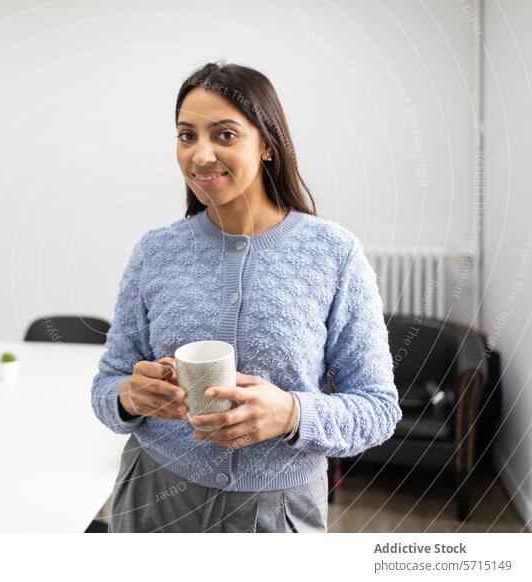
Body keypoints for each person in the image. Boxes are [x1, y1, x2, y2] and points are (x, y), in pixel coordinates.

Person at [91, 62, 401, 533]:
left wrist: (292, 414)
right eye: (186, 135)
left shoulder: (333, 255)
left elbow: (377, 410)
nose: (200, 155)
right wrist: (129, 397)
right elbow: (107, 384)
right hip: (153, 498)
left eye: (225, 135)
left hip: (275, 513)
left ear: (269, 146)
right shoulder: (155, 251)